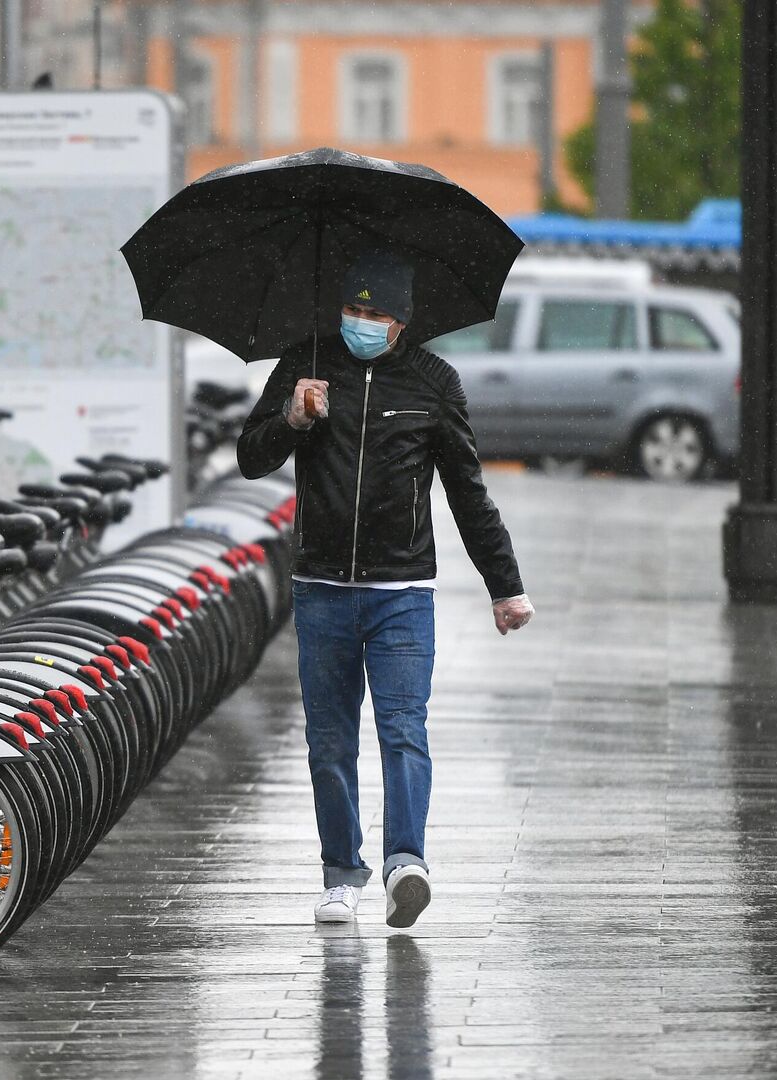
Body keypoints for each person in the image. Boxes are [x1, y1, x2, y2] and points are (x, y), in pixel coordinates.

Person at [237, 250, 534, 929]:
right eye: (353, 309)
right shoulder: (305, 366)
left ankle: (407, 864)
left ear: (402, 323)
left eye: (377, 314)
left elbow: (467, 491)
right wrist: (292, 419)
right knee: (329, 741)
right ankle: (341, 874)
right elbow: (250, 457)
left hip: (402, 590)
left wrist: (505, 585)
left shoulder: (434, 383)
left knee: (403, 729)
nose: (361, 323)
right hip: (320, 589)